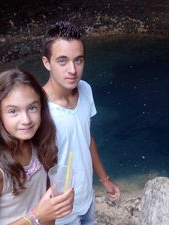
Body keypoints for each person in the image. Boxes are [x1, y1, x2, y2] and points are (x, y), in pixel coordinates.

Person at [0, 68, 74, 225]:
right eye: (13, 111)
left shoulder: (39, 146)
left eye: (32, 108)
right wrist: (36, 216)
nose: (26, 120)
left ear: (41, 108)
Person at [41, 21, 121, 225]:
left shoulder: (85, 89)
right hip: (60, 212)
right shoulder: (37, 109)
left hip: (86, 198)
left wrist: (104, 179)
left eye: (78, 60)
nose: (72, 70)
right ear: (46, 62)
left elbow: (86, 136)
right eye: (62, 61)